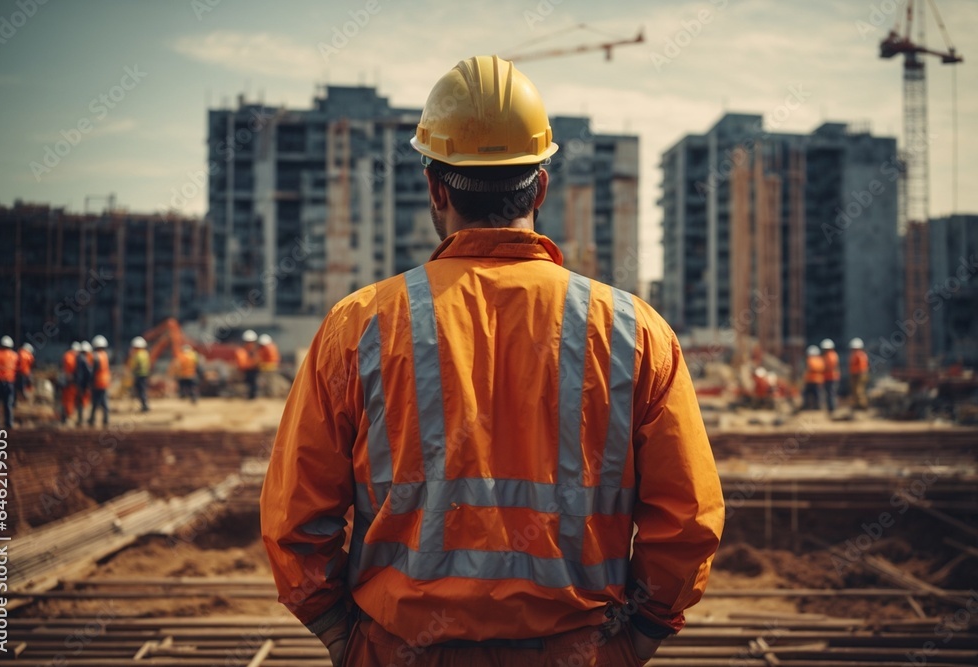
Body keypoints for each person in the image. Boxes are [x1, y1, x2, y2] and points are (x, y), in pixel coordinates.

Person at [261, 55, 724, 667]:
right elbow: (687, 521)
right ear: (541, 186)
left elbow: (296, 516)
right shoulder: (634, 331)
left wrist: (342, 635)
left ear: (436, 188)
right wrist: (636, 640)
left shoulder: (359, 327)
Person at [88, 336, 111, 427]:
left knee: (95, 401)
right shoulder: (105, 355)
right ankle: (105, 419)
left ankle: (92, 419)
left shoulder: (95, 356)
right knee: (104, 401)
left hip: (97, 382)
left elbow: (93, 370)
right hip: (105, 382)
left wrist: (90, 381)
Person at [59, 341, 81, 424]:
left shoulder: (66, 355)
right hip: (70, 382)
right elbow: (71, 371)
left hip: (65, 381)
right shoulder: (73, 357)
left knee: (65, 400)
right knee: (69, 400)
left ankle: (64, 416)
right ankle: (68, 417)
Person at [128, 336, 151, 412]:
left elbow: (136, 365)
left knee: (141, 391)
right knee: (143, 390)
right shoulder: (145, 353)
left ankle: (144, 406)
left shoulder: (137, 355)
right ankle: (144, 405)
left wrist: (133, 371)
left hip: (139, 375)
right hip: (145, 374)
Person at [236, 329, 259, 400]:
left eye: (252, 342)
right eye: (249, 342)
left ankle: (253, 395)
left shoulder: (255, 352)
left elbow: (258, 361)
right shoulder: (241, 352)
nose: (251, 344)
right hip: (245, 372)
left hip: (253, 371)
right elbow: (242, 365)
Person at [74, 342, 93, 426]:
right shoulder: (84, 359)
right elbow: (88, 372)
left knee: (79, 401)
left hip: (79, 382)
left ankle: (80, 419)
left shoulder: (78, 358)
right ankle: (81, 420)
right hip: (82, 383)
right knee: (81, 401)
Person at [848, 337, 870, 410]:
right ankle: (857, 405)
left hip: (859, 375)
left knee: (859, 391)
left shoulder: (860, 355)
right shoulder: (857, 354)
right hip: (857, 374)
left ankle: (862, 406)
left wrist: (857, 374)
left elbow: (861, 367)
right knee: (855, 391)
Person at [802, 345, 825, 411]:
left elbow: (809, 369)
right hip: (818, 380)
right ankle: (817, 406)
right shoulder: (820, 360)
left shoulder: (810, 360)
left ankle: (808, 406)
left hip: (811, 380)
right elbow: (822, 368)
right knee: (817, 395)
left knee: (808, 394)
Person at [820, 338, 840, 414]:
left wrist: (822, 368)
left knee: (831, 393)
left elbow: (829, 366)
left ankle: (832, 408)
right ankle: (830, 408)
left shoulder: (831, 355)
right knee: (829, 393)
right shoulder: (828, 355)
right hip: (828, 377)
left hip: (832, 377)